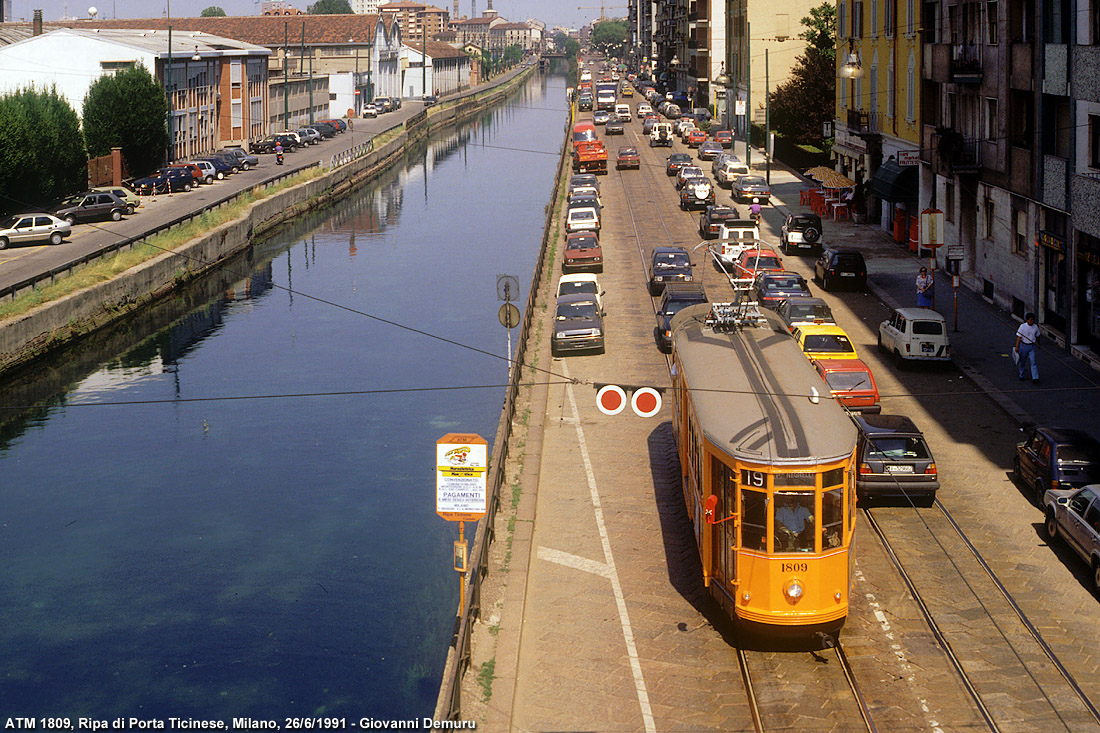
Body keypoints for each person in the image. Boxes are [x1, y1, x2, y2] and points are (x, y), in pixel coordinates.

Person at [1015, 312, 1040, 384]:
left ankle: (1035, 378)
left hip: (1031, 346)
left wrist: (1039, 344)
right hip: (1023, 346)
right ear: (1027, 320)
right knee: (1022, 361)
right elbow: (1019, 338)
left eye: (1033, 320)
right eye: (1031, 320)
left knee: (1033, 361)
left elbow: (1038, 336)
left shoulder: (1035, 327)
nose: (1032, 321)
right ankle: (1021, 374)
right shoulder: (1022, 327)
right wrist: (1017, 347)